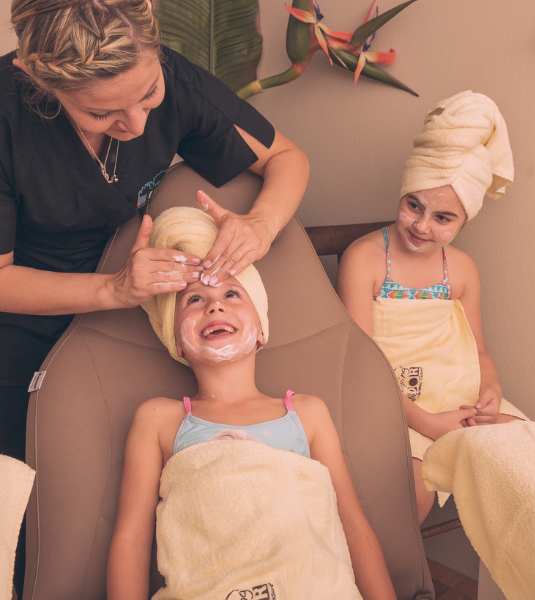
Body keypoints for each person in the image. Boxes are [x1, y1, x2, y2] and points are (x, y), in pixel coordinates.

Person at [0, 0, 309, 465]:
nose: (139, 125)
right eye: (102, 114)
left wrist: (260, 225)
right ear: (38, 79)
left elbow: (287, 160)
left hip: (128, 301)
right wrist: (112, 288)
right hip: (21, 315)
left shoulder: (172, 75)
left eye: (149, 94)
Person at [107, 206, 395, 600]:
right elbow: (131, 537)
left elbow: (352, 522)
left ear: (261, 326)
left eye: (230, 293)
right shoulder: (159, 419)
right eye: (194, 300)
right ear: (174, 336)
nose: (215, 306)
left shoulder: (307, 414)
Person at [337, 90, 527, 523]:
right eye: (413, 206)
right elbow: (362, 365)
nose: (421, 225)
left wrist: (489, 392)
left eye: (443, 218)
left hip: (454, 396)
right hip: (390, 403)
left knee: (525, 452)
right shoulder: (364, 258)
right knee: (414, 494)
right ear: (402, 194)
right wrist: (425, 422)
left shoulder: (461, 270)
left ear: (465, 220)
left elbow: (478, 351)